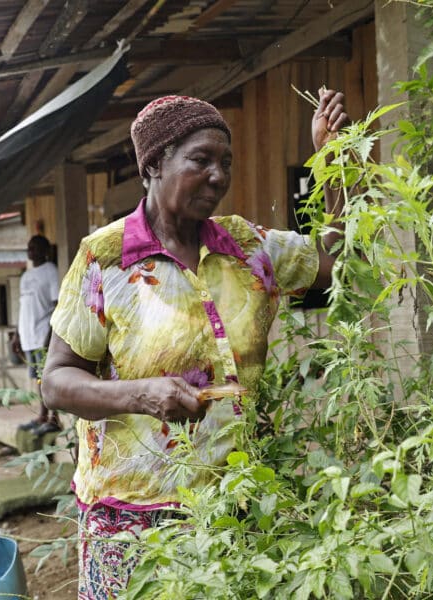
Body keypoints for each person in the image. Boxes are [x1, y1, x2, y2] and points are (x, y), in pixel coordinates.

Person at [42, 90, 348, 598]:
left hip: (234, 505)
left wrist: (332, 164)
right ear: (155, 163)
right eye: (201, 159)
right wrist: (141, 394)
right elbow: (57, 381)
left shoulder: (247, 247)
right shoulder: (106, 259)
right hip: (133, 523)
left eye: (225, 162)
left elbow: (333, 264)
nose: (218, 175)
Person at [13, 235, 61, 435]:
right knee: (38, 379)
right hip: (27, 335)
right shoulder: (25, 276)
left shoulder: (51, 271)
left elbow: (57, 305)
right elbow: (23, 307)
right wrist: (16, 335)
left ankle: (54, 419)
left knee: (48, 377)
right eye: (28, 248)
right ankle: (42, 416)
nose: (30, 252)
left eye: (34, 248)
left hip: (43, 333)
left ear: (45, 250)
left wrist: (50, 335)